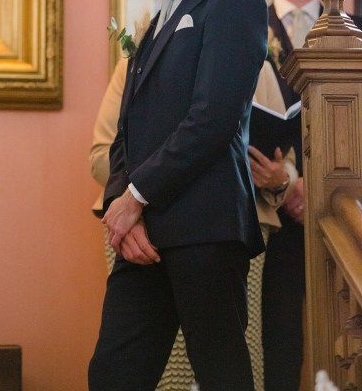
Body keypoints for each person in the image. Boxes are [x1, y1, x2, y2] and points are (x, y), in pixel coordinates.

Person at [88, 0, 268, 391]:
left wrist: (137, 196)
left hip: (206, 230)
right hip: (140, 233)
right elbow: (129, 126)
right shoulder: (161, 15)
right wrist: (125, 204)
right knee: (113, 374)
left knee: (221, 376)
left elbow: (212, 121)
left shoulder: (235, 2)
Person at [89, 56, 298, 391]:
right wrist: (151, 183)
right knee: (146, 366)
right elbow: (103, 154)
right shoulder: (142, 56)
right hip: (149, 230)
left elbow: (285, 160)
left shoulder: (254, 62)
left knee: (227, 360)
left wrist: (278, 178)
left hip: (234, 228)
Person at [261, 0, 325, 391]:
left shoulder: (353, 30)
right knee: (276, 332)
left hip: (342, 203)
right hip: (270, 207)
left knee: (340, 331)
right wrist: (288, 183)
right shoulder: (246, 29)